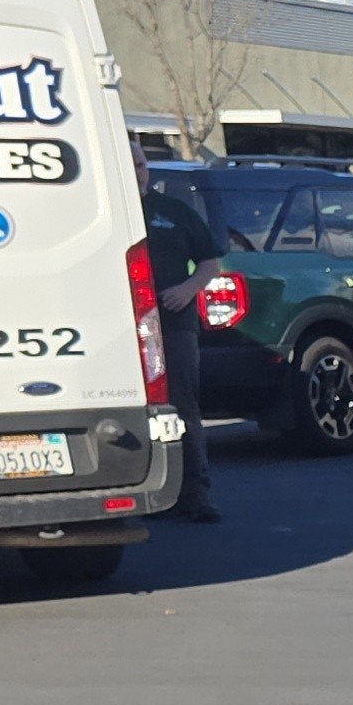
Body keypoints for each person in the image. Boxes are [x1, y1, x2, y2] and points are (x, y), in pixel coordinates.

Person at [142, 179, 220, 524]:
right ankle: (149, 493)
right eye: (128, 163)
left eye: (141, 163)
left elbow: (209, 263)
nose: (135, 170)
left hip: (175, 325)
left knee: (182, 406)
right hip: (128, 328)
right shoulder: (111, 211)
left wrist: (188, 289)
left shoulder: (173, 211)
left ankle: (195, 493)